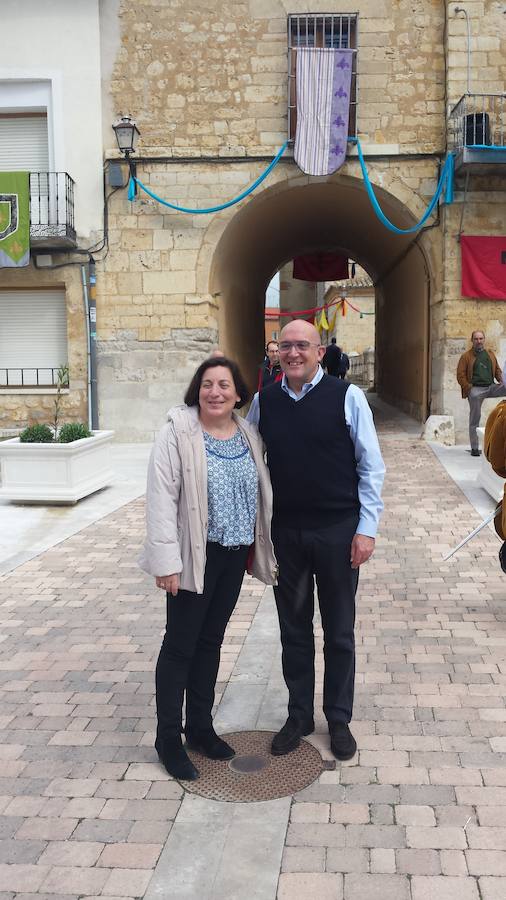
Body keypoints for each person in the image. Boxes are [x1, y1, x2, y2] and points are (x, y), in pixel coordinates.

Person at [247, 319, 385, 761]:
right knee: (294, 629)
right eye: (285, 346)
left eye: (302, 345)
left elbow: (371, 466)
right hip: (287, 533)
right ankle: (299, 715)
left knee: (339, 631)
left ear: (320, 352)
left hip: (338, 532)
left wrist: (367, 529)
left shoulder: (348, 397)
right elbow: (247, 459)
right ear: (277, 353)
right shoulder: (263, 402)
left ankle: (338, 718)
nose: (293, 353)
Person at [139, 357, 277, 781]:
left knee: (211, 641)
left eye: (224, 385)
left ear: (239, 393)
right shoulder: (176, 434)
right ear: (196, 391)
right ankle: (168, 738)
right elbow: (160, 500)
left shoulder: (248, 433)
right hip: (192, 555)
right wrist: (166, 562)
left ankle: (200, 727)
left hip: (233, 555)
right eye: (207, 384)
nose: (215, 392)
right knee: (180, 644)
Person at [457, 330, 506, 456]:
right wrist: (469, 388)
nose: (479, 341)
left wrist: (501, 380)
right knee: (475, 418)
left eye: (481, 339)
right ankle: (474, 448)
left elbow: (497, 370)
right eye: (476, 339)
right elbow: (460, 375)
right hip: (476, 389)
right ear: (472, 340)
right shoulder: (466, 356)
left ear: (484, 339)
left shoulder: (490, 354)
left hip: (491, 386)